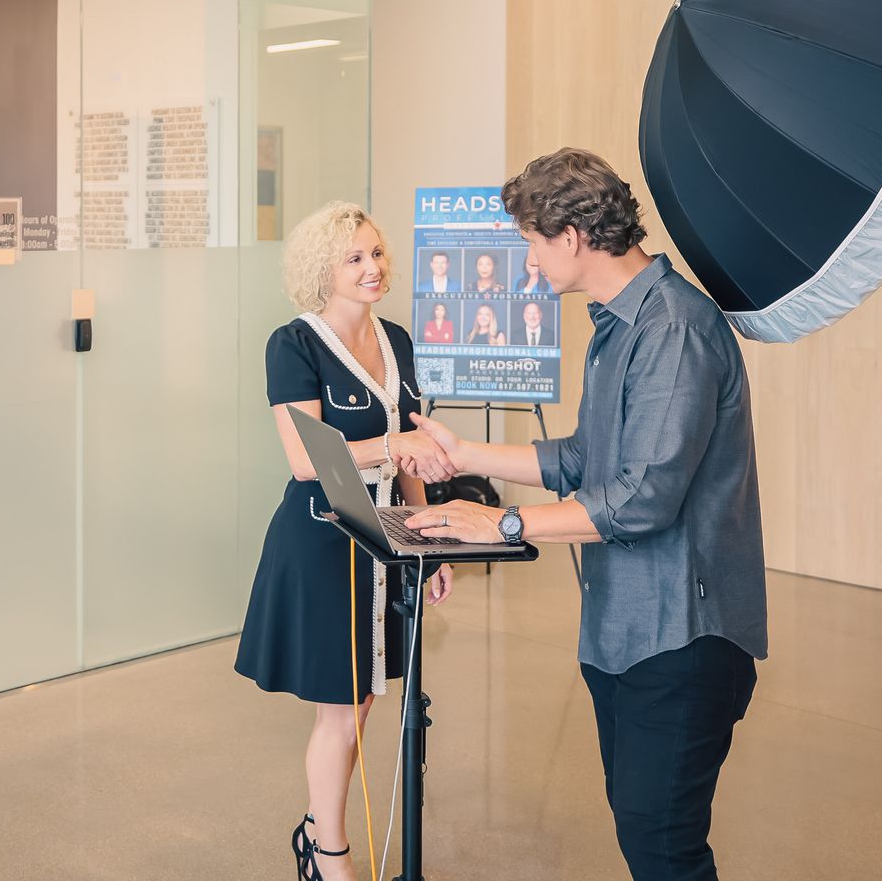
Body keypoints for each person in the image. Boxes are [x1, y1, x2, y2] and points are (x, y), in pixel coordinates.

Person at [397, 149, 766, 881]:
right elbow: (584, 458)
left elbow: (642, 498)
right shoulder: (618, 326)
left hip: (681, 638)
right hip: (624, 631)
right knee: (643, 832)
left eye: (532, 242)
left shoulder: (673, 330)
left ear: (570, 236)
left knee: (664, 849)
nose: (529, 263)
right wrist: (466, 453)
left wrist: (500, 526)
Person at [236, 201, 451, 881]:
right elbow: (307, 460)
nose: (373, 268)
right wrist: (397, 443)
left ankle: (315, 828)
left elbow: (414, 457)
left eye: (377, 253)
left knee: (359, 706)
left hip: (388, 541)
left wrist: (429, 539)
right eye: (354, 257)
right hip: (322, 542)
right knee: (342, 709)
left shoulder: (398, 340)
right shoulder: (292, 344)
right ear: (321, 271)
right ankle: (330, 855)